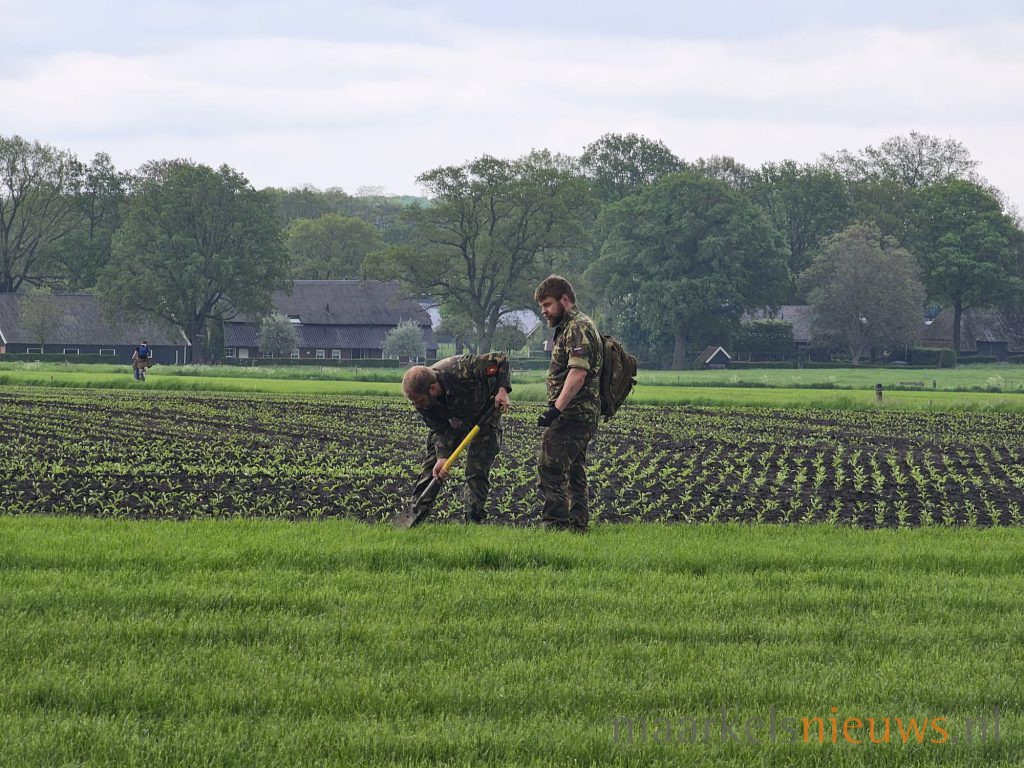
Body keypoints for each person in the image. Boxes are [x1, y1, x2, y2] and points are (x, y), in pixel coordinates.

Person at [402, 352, 511, 523]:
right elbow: (440, 429)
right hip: (453, 421)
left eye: (419, 400)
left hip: (485, 413)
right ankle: (413, 518)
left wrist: (502, 390)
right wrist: (442, 457)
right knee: (433, 469)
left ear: (431, 388)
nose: (417, 406)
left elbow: (500, 360)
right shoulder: (421, 402)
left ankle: (472, 522)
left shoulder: (461, 369)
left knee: (476, 471)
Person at [534, 275, 603, 532]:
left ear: (565, 300)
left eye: (548, 305)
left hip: (573, 414)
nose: (544, 311)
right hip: (579, 414)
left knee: (550, 469)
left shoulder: (577, 327)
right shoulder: (570, 327)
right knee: (574, 470)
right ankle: (577, 525)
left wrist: (556, 410)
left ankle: (556, 526)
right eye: (542, 307)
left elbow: (578, 372)